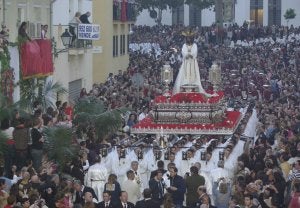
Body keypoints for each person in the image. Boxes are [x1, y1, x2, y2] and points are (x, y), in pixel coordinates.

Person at [172, 29, 211, 96]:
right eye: (187, 38)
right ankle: (185, 82)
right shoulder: (184, 45)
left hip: (192, 61)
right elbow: (183, 51)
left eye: (190, 38)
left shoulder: (194, 45)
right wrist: (187, 54)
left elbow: (195, 52)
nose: (188, 39)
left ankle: (193, 83)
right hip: (186, 61)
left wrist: (191, 54)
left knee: (193, 72)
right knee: (185, 72)